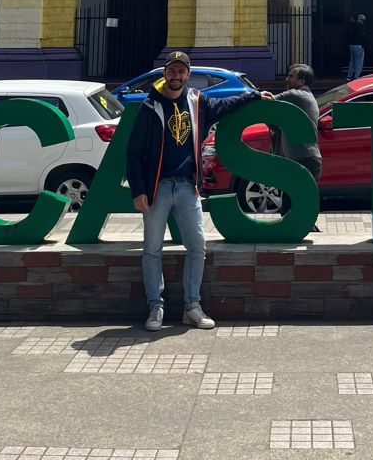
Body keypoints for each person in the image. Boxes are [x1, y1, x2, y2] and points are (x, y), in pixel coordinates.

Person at [126, 50, 275, 332]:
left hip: (186, 187)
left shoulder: (197, 101)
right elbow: (133, 154)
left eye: (181, 71)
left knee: (197, 247)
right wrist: (138, 189)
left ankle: (192, 307)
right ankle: (155, 307)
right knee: (152, 250)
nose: (176, 76)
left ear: (188, 74)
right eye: (172, 70)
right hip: (157, 189)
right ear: (164, 73)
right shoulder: (149, 107)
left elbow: (227, 103)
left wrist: (254, 96)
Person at [274, 63, 323, 233]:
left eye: (291, 76)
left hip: (302, 158)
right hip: (304, 158)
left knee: (294, 204)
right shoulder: (306, 96)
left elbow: (268, 100)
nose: (287, 79)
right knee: (297, 203)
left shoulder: (296, 94)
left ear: (301, 81)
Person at [346, 14, 367, 79]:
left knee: (352, 61)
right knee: (359, 61)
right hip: (358, 45)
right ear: (359, 20)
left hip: (351, 45)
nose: (363, 22)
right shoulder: (359, 27)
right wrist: (364, 35)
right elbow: (361, 35)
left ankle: (349, 76)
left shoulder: (352, 26)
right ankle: (356, 76)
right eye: (363, 20)